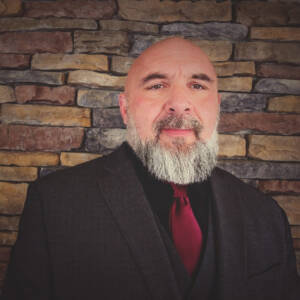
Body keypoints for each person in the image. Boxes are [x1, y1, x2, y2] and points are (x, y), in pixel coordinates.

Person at [2, 37, 300, 300]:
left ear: (217, 106)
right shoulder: (54, 206)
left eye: (197, 86)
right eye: (157, 85)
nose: (179, 104)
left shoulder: (266, 216)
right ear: (125, 108)